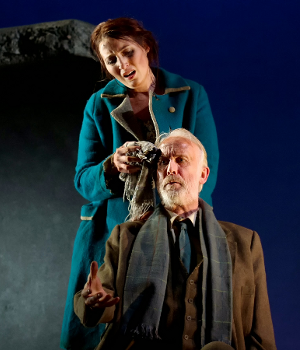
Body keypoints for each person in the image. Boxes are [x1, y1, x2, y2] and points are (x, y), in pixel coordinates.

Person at [61, 18, 219, 350]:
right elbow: (83, 181)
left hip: (177, 232)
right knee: (105, 328)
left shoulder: (191, 95)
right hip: (110, 236)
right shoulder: (97, 105)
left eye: (128, 52)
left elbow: (208, 171)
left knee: (175, 327)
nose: (122, 64)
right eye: (111, 59)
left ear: (146, 47)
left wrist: (173, 214)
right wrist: (111, 165)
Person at [74, 128, 276, 350]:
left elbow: (260, 334)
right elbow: (101, 303)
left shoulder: (245, 242)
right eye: (162, 162)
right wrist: (93, 301)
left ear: (203, 175)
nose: (170, 169)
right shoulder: (127, 236)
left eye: (181, 160)